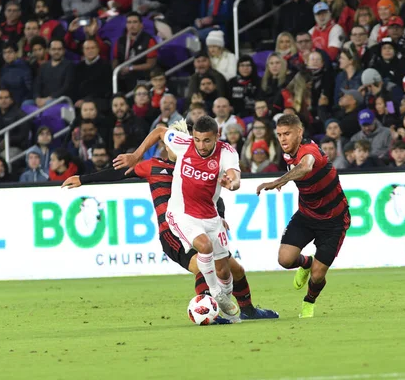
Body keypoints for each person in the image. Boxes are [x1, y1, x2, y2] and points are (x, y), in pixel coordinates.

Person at [62, 121, 277, 322]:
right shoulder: (153, 166)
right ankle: (209, 312)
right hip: (171, 232)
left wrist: (221, 217)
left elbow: (215, 197)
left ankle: (248, 311)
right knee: (203, 266)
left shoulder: (200, 165)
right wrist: (83, 179)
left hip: (201, 223)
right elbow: (119, 173)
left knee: (236, 270)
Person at [113, 116, 244, 322]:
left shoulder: (227, 152)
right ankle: (214, 292)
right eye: (197, 140)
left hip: (209, 215)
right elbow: (159, 131)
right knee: (204, 246)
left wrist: (232, 184)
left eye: (207, 141)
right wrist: (136, 156)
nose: (201, 145)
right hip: (181, 214)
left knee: (224, 268)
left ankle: (226, 303)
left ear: (217, 137)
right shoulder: (183, 143)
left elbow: (234, 176)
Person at [255, 114, 350, 318]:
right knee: (285, 260)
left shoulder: (309, 150)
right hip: (307, 215)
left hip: (334, 220)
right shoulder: (288, 153)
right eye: (279, 134)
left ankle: (309, 302)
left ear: (299, 132)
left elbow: (306, 166)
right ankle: (306, 263)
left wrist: (277, 181)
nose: (282, 139)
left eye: (287, 134)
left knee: (318, 276)